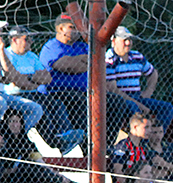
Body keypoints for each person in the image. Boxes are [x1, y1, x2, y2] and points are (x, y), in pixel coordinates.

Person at [39, 14, 130, 148]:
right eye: (71, 27)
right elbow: (65, 66)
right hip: (57, 91)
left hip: (84, 90)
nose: (76, 30)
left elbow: (97, 63)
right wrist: (84, 60)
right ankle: (83, 145)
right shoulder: (51, 47)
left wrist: (77, 61)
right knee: (82, 102)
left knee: (116, 101)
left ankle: (105, 145)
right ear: (60, 28)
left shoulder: (81, 46)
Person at [3, 25, 84, 155]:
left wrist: (28, 79)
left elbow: (47, 78)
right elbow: (17, 82)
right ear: (14, 40)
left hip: (33, 92)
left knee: (56, 104)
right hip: (15, 94)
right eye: (26, 39)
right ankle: (54, 141)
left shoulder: (32, 56)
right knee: (42, 107)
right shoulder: (7, 55)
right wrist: (33, 79)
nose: (31, 42)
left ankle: (64, 134)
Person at [105, 26, 173, 132]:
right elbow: (113, 90)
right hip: (121, 99)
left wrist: (148, 91)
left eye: (129, 39)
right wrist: (139, 105)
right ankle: (140, 139)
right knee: (135, 109)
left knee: (167, 108)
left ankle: (156, 136)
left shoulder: (137, 56)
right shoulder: (109, 59)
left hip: (138, 97)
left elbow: (152, 73)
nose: (128, 43)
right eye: (124, 40)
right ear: (114, 41)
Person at [112, 112, 152, 183]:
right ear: (135, 127)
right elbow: (118, 171)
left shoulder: (143, 147)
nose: (150, 130)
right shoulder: (123, 146)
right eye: (146, 127)